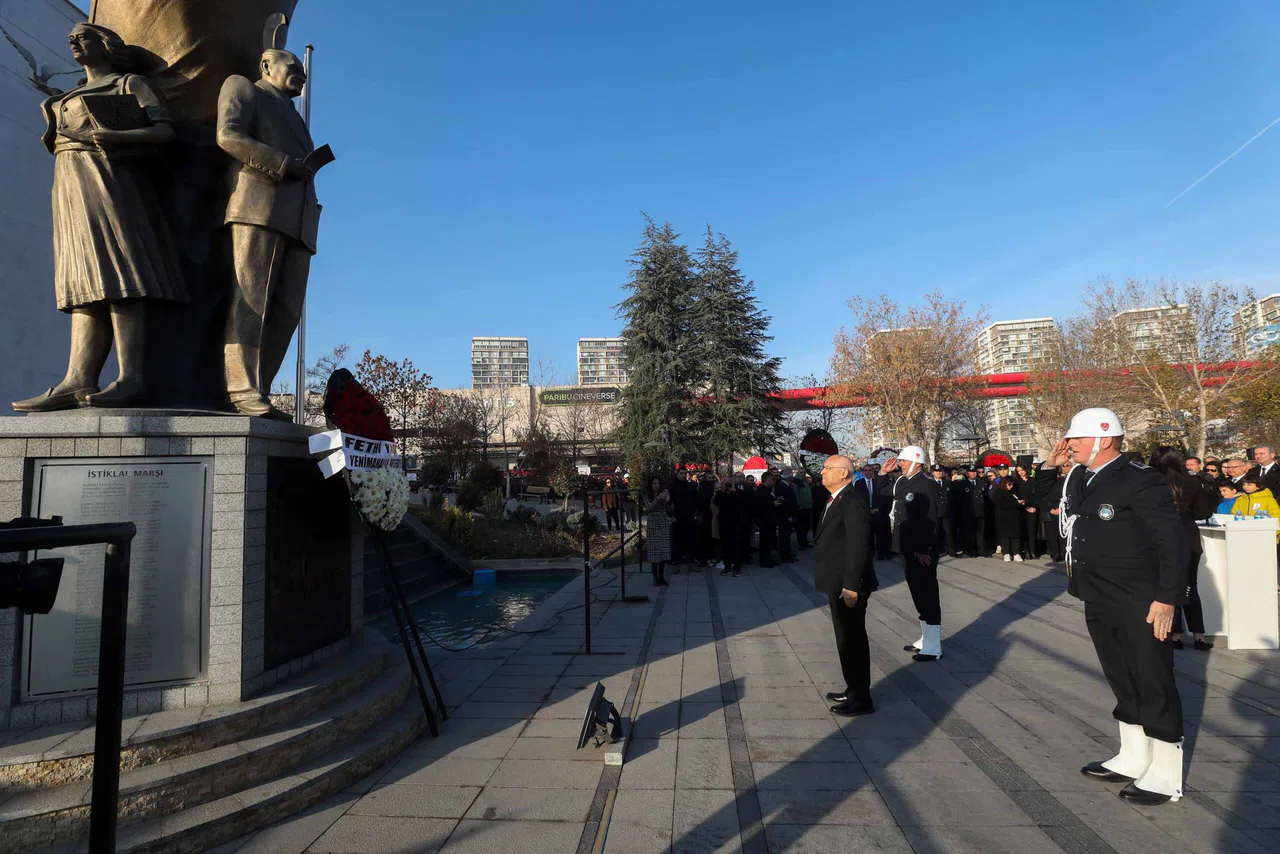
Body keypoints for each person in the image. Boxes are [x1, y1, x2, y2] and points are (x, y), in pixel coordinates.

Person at [14, 23, 186, 412]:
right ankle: (77, 378)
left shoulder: (129, 84)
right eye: (70, 37)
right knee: (81, 280)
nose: (73, 41)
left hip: (113, 183)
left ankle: (131, 378)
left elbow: (165, 132)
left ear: (107, 46)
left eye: (83, 36)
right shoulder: (67, 96)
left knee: (120, 273)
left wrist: (121, 138)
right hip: (70, 188)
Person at [1037, 407, 1188, 805]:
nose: (1068, 445)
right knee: (1121, 675)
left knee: (1152, 679)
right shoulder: (1079, 478)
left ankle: (1166, 773)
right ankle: (1134, 755)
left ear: (1103, 439)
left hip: (1139, 597)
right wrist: (1047, 468)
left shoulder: (1139, 480)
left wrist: (1168, 598)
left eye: (1076, 439)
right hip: (1099, 593)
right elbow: (1040, 503)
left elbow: (1173, 541)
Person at [217, 47, 323, 419]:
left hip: (299, 222)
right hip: (258, 208)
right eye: (292, 66)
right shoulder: (245, 88)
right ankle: (242, 389)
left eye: (302, 69)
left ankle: (259, 386)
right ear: (266, 65)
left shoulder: (294, 116)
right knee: (251, 300)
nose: (301, 72)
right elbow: (228, 135)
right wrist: (282, 164)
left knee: (287, 311)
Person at [813, 454, 877, 717]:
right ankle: (852, 687)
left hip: (847, 586)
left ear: (844, 473)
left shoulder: (852, 501)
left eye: (828, 468)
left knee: (853, 640)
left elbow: (858, 547)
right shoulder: (835, 498)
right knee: (844, 638)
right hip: (836, 580)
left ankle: (861, 698)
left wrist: (851, 585)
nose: (822, 472)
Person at [878, 446, 943, 661]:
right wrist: (882, 473)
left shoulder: (926, 484)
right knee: (917, 592)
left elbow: (930, 518)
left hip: (921, 549)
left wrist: (923, 549)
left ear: (916, 462)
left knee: (927, 593)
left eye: (903, 461)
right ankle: (926, 638)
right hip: (906, 546)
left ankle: (934, 646)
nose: (900, 464)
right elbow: (885, 490)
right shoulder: (903, 481)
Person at [1150, 447, 1216, 652]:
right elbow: (1203, 511)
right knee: (1190, 586)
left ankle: (1174, 633)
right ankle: (1198, 634)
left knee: (1167, 585)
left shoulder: (1149, 481)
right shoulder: (1191, 481)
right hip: (1187, 534)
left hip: (1158, 536)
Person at [716, 473, 749, 577]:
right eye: (724, 483)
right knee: (725, 546)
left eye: (728, 483)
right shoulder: (721, 494)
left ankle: (737, 567)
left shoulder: (739, 493)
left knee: (736, 546)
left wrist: (734, 491)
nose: (727, 485)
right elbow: (716, 502)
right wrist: (721, 491)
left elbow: (743, 504)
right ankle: (727, 566)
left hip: (736, 524)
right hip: (724, 523)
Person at [644, 478, 673, 586]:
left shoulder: (664, 493)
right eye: (654, 483)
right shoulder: (647, 495)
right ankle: (655, 577)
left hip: (664, 523)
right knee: (654, 553)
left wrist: (668, 500)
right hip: (653, 524)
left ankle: (661, 576)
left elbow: (671, 509)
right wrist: (657, 499)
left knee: (663, 552)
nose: (656, 485)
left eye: (658, 483)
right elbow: (648, 508)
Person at [1039, 462, 1071, 563]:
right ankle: (1055, 553)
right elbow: (1042, 497)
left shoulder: (1065, 481)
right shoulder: (1046, 483)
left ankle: (1063, 553)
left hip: (1062, 510)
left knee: (1062, 533)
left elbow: (1067, 495)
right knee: (1052, 534)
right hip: (1049, 511)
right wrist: (1050, 509)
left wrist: (1060, 508)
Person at [669, 469, 698, 572]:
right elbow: (668, 502)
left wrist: (696, 514)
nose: (683, 475)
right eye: (681, 473)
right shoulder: (672, 487)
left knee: (690, 541)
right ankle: (676, 565)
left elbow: (696, 500)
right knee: (677, 542)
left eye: (685, 473)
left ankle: (690, 564)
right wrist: (671, 515)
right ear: (677, 474)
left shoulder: (691, 486)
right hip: (677, 518)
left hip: (689, 517)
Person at [992, 478, 1025, 562]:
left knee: (1016, 535)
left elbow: (1017, 500)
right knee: (1005, 536)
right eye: (1009, 485)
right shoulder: (998, 492)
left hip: (1014, 517)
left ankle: (1016, 553)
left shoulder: (1013, 492)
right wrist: (1016, 503)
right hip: (1004, 517)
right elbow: (1001, 504)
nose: (1011, 486)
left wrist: (1021, 502)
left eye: (1012, 484)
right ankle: (1006, 553)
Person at [752, 472, 779, 567]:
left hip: (770, 519)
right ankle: (764, 561)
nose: (773, 481)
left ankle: (769, 559)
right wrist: (773, 504)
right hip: (764, 520)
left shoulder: (768, 490)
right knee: (765, 541)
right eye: (771, 479)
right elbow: (760, 505)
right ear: (767, 479)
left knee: (770, 540)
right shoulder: (761, 490)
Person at [961, 468, 988, 558]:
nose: (973, 473)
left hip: (980, 511)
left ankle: (981, 550)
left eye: (974, 472)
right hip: (969, 512)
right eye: (970, 472)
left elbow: (985, 497)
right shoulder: (963, 484)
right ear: (967, 473)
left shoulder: (982, 483)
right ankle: (970, 550)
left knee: (981, 532)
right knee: (969, 532)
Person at [1013, 465, 1039, 558]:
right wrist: (1023, 505)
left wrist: (1034, 506)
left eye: (1022, 470)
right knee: (1023, 530)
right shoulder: (1015, 482)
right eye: (1018, 471)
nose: (1021, 472)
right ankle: (1026, 551)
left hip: (1033, 508)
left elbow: (1038, 494)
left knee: (1032, 530)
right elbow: (1015, 496)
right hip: (1022, 509)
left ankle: (1032, 550)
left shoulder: (1033, 480)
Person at [775, 468, 799, 563]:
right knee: (784, 536)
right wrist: (788, 516)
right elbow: (784, 503)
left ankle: (787, 553)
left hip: (788, 514)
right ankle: (785, 556)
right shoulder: (781, 486)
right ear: (789, 477)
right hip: (784, 516)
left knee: (787, 536)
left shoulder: (787, 485)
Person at [930, 466, 956, 557]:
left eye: (940, 471)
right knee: (935, 532)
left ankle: (951, 550)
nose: (939, 473)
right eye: (936, 471)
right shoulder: (929, 483)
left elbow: (952, 497)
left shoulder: (947, 483)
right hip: (935, 512)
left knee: (949, 532)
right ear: (932, 472)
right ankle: (936, 551)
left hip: (946, 511)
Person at [695, 473, 717, 567]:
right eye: (709, 478)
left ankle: (711, 556)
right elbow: (700, 503)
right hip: (705, 516)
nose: (711, 479)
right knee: (705, 538)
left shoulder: (715, 487)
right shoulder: (702, 489)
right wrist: (700, 515)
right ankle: (704, 558)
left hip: (714, 516)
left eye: (712, 478)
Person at [793, 473, 814, 550]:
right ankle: (801, 542)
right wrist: (799, 504)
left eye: (804, 473)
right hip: (802, 508)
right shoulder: (796, 482)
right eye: (801, 472)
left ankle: (804, 541)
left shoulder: (805, 481)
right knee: (801, 527)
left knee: (806, 526)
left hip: (807, 507)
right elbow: (796, 494)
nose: (803, 474)